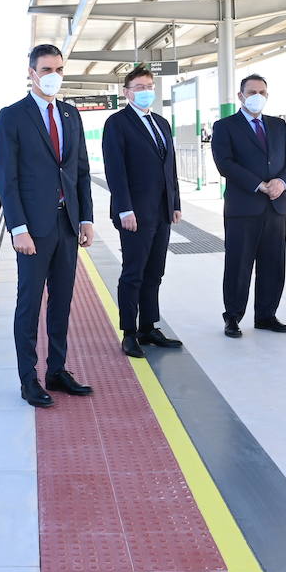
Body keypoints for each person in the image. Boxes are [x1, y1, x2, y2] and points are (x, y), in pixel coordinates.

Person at [0, 44, 96, 408]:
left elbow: (80, 170)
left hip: (67, 225)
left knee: (62, 301)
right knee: (29, 304)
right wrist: (17, 227)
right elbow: (7, 177)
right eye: (47, 69)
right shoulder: (12, 116)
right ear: (32, 72)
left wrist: (86, 217)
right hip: (33, 230)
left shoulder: (70, 114)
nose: (54, 76)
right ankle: (28, 378)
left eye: (59, 69)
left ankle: (57, 370)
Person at [210, 75, 286, 338]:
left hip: (276, 205)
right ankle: (233, 317)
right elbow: (225, 163)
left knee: (274, 263)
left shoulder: (278, 125)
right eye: (251, 92)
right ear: (241, 96)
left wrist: (282, 183)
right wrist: (260, 184)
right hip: (243, 207)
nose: (256, 96)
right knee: (239, 264)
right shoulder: (225, 126)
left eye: (261, 91)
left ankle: (266, 315)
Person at [101, 66, 183, 357]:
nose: (145, 91)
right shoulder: (117, 123)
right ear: (126, 92)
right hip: (134, 213)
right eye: (138, 87)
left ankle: (149, 326)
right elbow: (115, 170)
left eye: (149, 86)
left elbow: (169, 167)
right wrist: (124, 209)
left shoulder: (161, 123)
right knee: (133, 272)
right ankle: (130, 332)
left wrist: (175, 203)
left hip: (161, 211)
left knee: (155, 272)